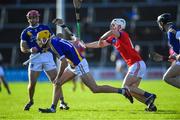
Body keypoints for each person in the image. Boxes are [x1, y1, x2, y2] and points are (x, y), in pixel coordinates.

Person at [36, 30, 134, 113]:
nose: (39, 42)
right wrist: (75, 40)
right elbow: (68, 46)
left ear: (45, 39)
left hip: (79, 65)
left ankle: (122, 91)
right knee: (57, 84)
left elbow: (63, 63)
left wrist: (57, 77)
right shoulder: (55, 40)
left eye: (40, 40)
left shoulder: (53, 44)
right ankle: (53, 108)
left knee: (95, 89)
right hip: (73, 66)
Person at [84, 18, 157, 111]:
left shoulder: (123, 34)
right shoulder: (113, 38)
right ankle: (150, 105)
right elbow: (100, 45)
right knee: (131, 90)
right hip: (135, 65)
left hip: (136, 64)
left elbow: (110, 33)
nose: (112, 26)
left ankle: (149, 95)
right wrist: (85, 45)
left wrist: (101, 38)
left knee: (125, 87)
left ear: (119, 27)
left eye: (114, 25)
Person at [20, 10, 69, 111]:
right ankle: (30, 100)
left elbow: (53, 40)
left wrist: (48, 47)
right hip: (35, 58)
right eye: (31, 18)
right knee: (32, 84)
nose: (33, 19)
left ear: (38, 18)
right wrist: (30, 50)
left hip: (47, 56)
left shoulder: (45, 28)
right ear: (28, 19)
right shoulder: (25, 32)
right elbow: (22, 47)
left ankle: (62, 102)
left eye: (35, 17)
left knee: (56, 81)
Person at [157, 13, 180, 88]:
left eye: (159, 23)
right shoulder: (171, 30)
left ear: (162, 23)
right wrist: (175, 55)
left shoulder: (171, 30)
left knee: (167, 78)